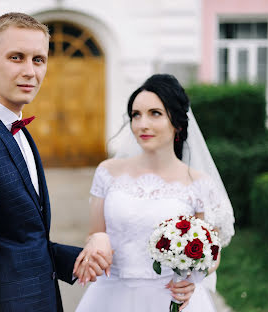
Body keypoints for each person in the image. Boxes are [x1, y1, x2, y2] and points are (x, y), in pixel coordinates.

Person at [0, 12, 112, 312]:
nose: (30, 71)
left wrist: (72, 259)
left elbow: (16, 238)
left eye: (38, 59)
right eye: (16, 57)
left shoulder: (18, 131)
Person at [74, 74, 235, 311]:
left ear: (177, 123)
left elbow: (211, 252)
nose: (142, 124)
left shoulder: (199, 184)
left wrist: (194, 279)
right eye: (136, 115)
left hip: (171, 296)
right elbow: (95, 233)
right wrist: (97, 240)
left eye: (155, 113)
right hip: (111, 296)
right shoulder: (107, 172)